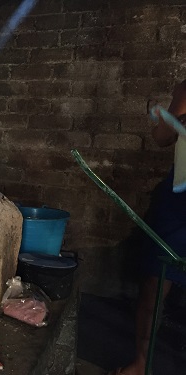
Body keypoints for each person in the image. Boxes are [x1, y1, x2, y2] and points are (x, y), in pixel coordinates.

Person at [109, 82, 186, 375]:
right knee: (155, 280)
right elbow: (161, 137)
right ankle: (142, 362)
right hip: (179, 199)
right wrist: (171, 119)